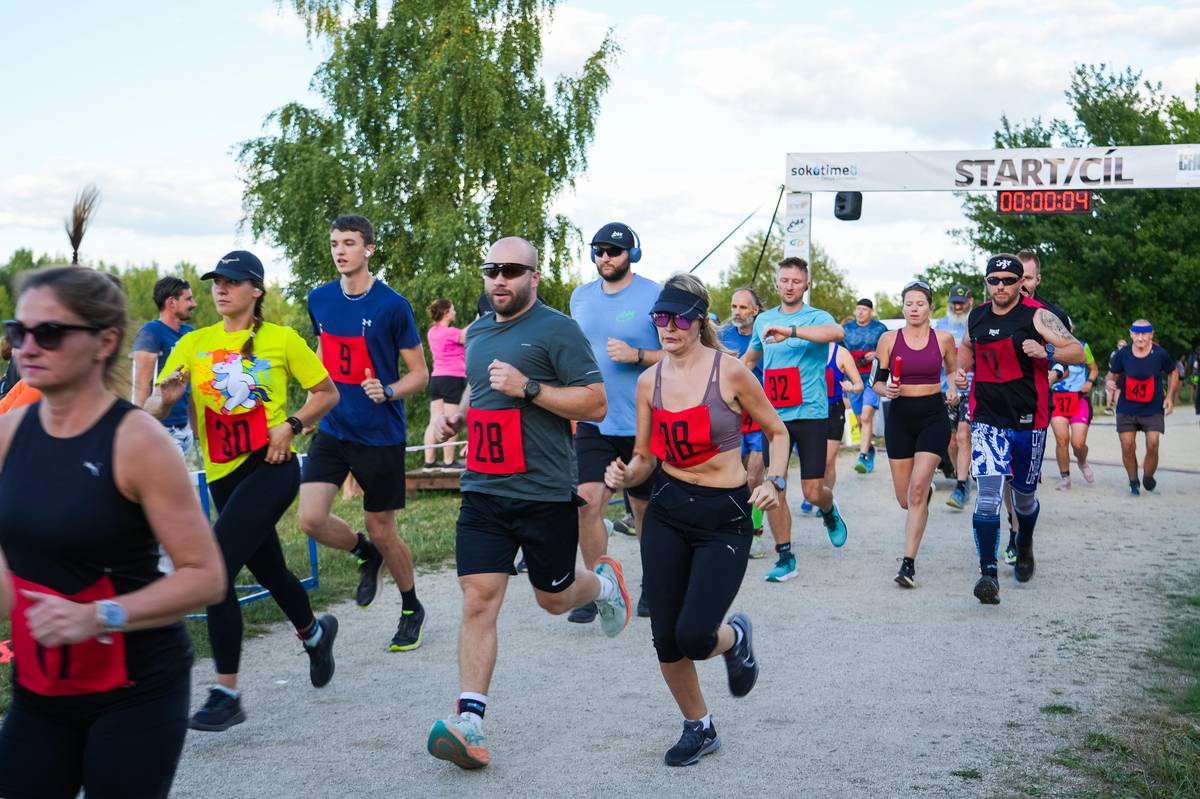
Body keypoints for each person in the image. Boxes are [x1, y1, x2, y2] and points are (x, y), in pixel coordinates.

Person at [0, 266, 225, 798]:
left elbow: (206, 576)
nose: (27, 347)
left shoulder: (137, 441)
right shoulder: (8, 433)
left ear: (104, 342)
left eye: (49, 332)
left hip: (136, 690)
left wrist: (98, 615)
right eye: (18, 331)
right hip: (41, 685)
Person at [425, 237, 631, 770]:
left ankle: (604, 585)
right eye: (492, 269)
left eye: (512, 270)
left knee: (554, 600)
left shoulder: (558, 330)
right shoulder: (477, 332)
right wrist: (458, 417)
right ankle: (470, 722)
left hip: (542, 492)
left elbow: (595, 403)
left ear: (533, 277)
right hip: (483, 489)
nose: (500, 279)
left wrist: (530, 388)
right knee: (478, 599)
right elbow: (481, 389)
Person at [146, 250, 341, 731]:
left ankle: (226, 692)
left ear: (256, 290)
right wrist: (163, 401)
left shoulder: (282, 339)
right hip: (222, 475)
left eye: (232, 281)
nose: (221, 288)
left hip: (271, 465)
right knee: (269, 568)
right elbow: (152, 405)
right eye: (217, 281)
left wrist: (291, 425)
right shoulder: (194, 343)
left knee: (215, 568)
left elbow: (327, 392)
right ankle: (315, 634)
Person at [604, 274, 786, 766]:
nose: (667, 327)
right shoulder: (649, 381)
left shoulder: (731, 372)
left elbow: (777, 431)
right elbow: (645, 458)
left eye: (678, 319)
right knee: (665, 636)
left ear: (699, 321)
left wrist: (774, 481)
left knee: (695, 637)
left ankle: (735, 637)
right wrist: (625, 474)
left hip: (724, 516)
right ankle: (699, 726)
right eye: (659, 318)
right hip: (667, 508)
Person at [298, 215, 431, 652]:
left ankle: (411, 607)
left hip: (379, 434)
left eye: (350, 243)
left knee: (382, 529)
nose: (340, 251)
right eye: (335, 243)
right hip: (334, 428)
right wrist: (314, 406)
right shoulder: (319, 299)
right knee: (310, 519)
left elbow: (420, 375)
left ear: (369, 249)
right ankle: (364, 553)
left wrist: (388, 390)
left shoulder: (393, 306)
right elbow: (323, 355)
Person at [953, 254, 1084, 604]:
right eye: (994, 281)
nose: (1001, 287)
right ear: (986, 283)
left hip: (1028, 421)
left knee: (1024, 498)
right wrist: (961, 373)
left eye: (1009, 280)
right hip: (987, 420)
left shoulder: (1037, 316)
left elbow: (1077, 353)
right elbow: (966, 348)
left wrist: (1046, 352)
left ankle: (1024, 542)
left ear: (1020, 283)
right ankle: (988, 574)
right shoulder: (977, 316)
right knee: (988, 497)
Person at [567, 222, 660, 623]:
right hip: (595, 418)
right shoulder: (580, 297)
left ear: (632, 254)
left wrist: (638, 356)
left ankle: (653, 584)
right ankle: (597, 590)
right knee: (587, 503)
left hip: (643, 421)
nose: (605, 257)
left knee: (643, 510)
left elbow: (680, 354)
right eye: (599, 250)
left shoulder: (655, 294)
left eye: (614, 250)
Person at [742, 257, 849, 583]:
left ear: (806, 285)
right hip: (775, 419)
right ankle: (785, 556)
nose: (789, 286)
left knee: (813, 491)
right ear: (777, 283)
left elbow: (838, 332)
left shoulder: (817, 317)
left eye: (796, 281)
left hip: (811, 415)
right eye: (784, 280)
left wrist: (790, 331)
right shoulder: (764, 320)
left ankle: (828, 510)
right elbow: (750, 360)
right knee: (774, 485)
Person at [872, 281, 957, 587]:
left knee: (917, 491)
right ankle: (923, 494)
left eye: (920, 303)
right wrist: (886, 389)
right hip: (899, 417)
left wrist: (954, 389)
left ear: (930, 307)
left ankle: (907, 565)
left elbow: (952, 372)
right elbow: (875, 381)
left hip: (933, 416)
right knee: (905, 499)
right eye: (909, 303)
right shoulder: (888, 339)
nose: (914, 309)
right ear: (903, 306)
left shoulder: (943, 338)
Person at [718, 287, 769, 558]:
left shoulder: (766, 336)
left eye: (743, 307)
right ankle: (733, 526)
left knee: (753, 475)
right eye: (734, 307)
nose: (737, 312)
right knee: (733, 475)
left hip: (760, 413)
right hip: (731, 413)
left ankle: (755, 530)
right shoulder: (722, 336)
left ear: (755, 311)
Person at [1107, 320, 1178, 495]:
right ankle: (1133, 481)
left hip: (1152, 407)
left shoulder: (1160, 354)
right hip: (1127, 407)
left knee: (1153, 443)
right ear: (1131, 334)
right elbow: (1112, 373)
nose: (1140, 338)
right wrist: (1110, 381)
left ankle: (1148, 476)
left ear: (1151, 335)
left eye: (1144, 334)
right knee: (1127, 446)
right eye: (1137, 334)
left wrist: (1170, 397)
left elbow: (1173, 372)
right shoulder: (1123, 354)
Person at [131, 276, 197, 458]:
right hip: (161, 429)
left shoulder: (190, 334)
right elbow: (141, 384)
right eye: (188, 299)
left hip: (184, 429)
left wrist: (196, 428)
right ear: (171, 302)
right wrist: (139, 429)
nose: (194, 304)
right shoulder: (152, 332)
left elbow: (193, 385)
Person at [936, 285, 975, 510]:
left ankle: (960, 486)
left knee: (963, 435)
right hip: (946, 389)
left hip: (972, 388)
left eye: (961, 302)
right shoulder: (941, 325)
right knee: (950, 441)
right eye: (954, 303)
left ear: (970, 301)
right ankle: (963, 477)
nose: (957, 306)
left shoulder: (977, 322)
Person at [814, 341, 863, 514]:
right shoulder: (807, 349)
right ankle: (812, 491)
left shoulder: (841, 353)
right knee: (813, 459)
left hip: (834, 411)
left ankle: (824, 499)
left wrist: (852, 388)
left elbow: (859, 384)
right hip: (811, 412)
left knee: (828, 461)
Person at [843, 298, 889, 474]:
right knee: (860, 419)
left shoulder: (880, 329)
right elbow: (838, 352)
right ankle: (869, 448)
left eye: (864, 309)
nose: (860, 312)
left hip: (873, 379)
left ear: (871, 312)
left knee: (866, 416)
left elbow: (890, 349)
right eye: (858, 309)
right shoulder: (846, 329)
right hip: (853, 379)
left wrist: (876, 353)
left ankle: (862, 456)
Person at [1048, 336, 1098, 490]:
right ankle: (1065, 477)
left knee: (1078, 443)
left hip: (1078, 399)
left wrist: (1089, 382)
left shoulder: (1082, 346)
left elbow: (1094, 369)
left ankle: (1082, 462)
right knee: (1062, 440)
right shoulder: (1048, 347)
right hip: (1057, 399)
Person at [425, 297, 467, 468]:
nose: (455, 312)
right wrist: (481, 318)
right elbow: (468, 335)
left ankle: (429, 462)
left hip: (437, 379)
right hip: (452, 378)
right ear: (446, 313)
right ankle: (448, 461)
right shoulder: (451, 332)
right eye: (453, 309)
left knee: (434, 420)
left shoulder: (432, 332)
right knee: (451, 420)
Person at [1104, 339, 1127, 412]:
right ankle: (1115, 408)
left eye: (1123, 346)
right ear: (1117, 346)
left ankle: (1109, 407)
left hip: (1114, 372)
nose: (1121, 347)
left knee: (1113, 390)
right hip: (1118, 373)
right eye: (1120, 345)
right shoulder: (1125, 354)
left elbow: (1110, 364)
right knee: (1116, 390)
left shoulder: (1114, 353)